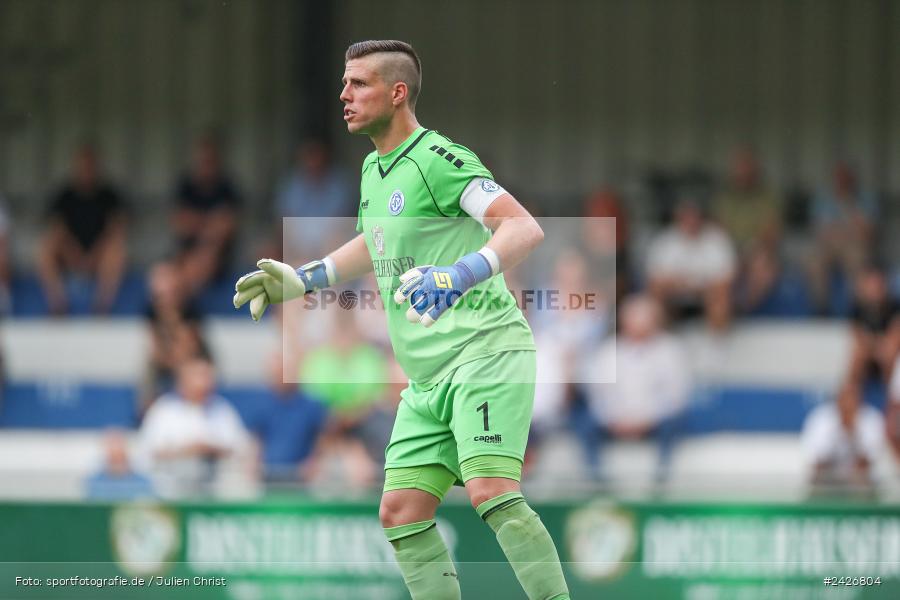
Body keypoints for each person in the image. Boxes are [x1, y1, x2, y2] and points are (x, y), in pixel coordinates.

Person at [233, 40, 569, 600]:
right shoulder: (373, 168)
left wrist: (458, 274)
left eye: (358, 83)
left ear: (397, 93)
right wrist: (305, 278)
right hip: (425, 379)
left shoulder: (439, 158)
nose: (344, 94)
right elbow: (376, 241)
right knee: (399, 511)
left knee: (491, 491)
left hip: (486, 353)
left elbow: (523, 228)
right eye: (344, 83)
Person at [579, 295, 691, 481]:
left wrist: (646, 419)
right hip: (615, 421)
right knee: (584, 423)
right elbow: (598, 395)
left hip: (656, 421)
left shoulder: (670, 350)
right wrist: (615, 420)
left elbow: (676, 397)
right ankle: (597, 481)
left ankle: (660, 480)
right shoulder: (608, 351)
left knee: (675, 424)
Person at [140, 357, 252, 498]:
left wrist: (211, 449)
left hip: (214, 492)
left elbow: (240, 449)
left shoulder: (222, 409)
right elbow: (147, 453)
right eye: (199, 376)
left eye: (208, 377)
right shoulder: (163, 410)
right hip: (171, 492)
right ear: (183, 381)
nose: (205, 383)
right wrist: (187, 451)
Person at [37, 144, 127, 314]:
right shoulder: (64, 195)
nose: (87, 170)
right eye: (83, 165)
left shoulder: (109, 195)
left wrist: (92, 256)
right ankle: (58, 306)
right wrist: (75, 255)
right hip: (70, 256)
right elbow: (58, 231)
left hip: (99, 257)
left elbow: (115, 230)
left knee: (117, 249)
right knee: (47, 246)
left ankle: (102, 307)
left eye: (90, 165)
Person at [646, 198, 737, 331]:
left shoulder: (717, 239)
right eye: (686, 217)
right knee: (655, 294)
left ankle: (717, 343)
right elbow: (655, 279)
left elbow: (726, 279)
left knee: (722, 298)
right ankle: (662, 342)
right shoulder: (665, 241)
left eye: (694, 217)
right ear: (678, 219)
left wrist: (697, 287)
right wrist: (683, 285)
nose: (691, 222)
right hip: (675, 295)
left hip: (708, 295)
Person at [712, 148, 783, 312]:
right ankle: (719, 309)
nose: (742, 172)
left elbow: (772, 230)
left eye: (746, 168)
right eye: (738, 168)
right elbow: (717, 228)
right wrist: (729, 250)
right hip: (729, 249)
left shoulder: (767, 196)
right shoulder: (724, 196)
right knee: (719, 267)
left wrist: (752, 249)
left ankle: (742, 309)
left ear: (755, 170)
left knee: (762, 270)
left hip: (757, 250)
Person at [171, 135, 241, 298]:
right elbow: (179, 223)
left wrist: (199, 224)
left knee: (207, 253)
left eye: (210, 160)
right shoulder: (186, 185)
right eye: (202, 160)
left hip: (220, 257)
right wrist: (210, 223)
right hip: (186, 253)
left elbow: (227, 226)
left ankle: (190, 303)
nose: (205, 164)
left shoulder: (227, 187)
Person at [808, 161, 878, 314]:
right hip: (829, 246)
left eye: (846, 177)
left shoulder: (865, 199)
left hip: (855, 246)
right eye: (839, 177)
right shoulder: (824, 199)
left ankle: (856, 310)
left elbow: (867, 232)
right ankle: (821, 310)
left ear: (853, 179)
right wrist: (846, 229)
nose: (842, 181)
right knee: (814, 261)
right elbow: (821, 232)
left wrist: (849, 208)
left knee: (858, 260)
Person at [801, 380, 885, 496]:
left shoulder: (872, 419)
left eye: (852, 398)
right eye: (844, 398)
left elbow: (867, 463)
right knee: (817, 480)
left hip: (859, 484)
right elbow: (818, 464)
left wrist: (852, 434)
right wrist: (839, 430)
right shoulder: (820, 418)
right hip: (827, 482)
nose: (848, 404)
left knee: (862, 482)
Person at [85, 429, 155, 500]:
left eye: (119, 445)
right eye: (111, 446)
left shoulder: (142, 482)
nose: (116, 450)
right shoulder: (94, 482)